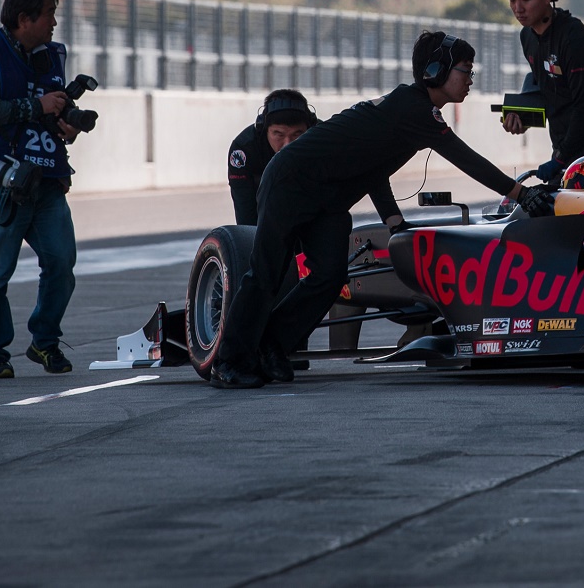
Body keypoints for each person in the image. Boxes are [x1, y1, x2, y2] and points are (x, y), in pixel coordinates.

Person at [211, 31, 555, 389]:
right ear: (436, 72)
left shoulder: (411, 109)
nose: (470, 79)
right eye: (465, 70)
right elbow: (466, 159)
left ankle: (271, 344)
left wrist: (395, 222)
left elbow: (373, 168)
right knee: (266, 272)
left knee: (329, 276)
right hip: (291, 182)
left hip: (328, 199)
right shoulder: (414, 108)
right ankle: (229, 361)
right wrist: (520, 193)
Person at [0, 0, 86, 379]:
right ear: (24, 18)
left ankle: (44, 342)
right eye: (48, 14)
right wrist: (38, 106)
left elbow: (52, 107)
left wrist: (67, 123)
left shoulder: (52, 55)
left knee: (62, 264)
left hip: (46, 182)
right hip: (1, 184)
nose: (53, 23)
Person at [501, 0, 584, 183]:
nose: (517, 8)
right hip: (563, 151)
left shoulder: (574, 38)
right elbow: (548, 90)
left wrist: (560, 159)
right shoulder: (527, 37)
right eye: (512, 0)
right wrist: (522, 118)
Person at [227, 89, 318, 226]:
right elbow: (245, 208)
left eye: (296, 135)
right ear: (264, 129)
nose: (288, 144)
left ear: (310, 129)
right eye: (279, 135)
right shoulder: (244, 149)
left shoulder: (322, 139)